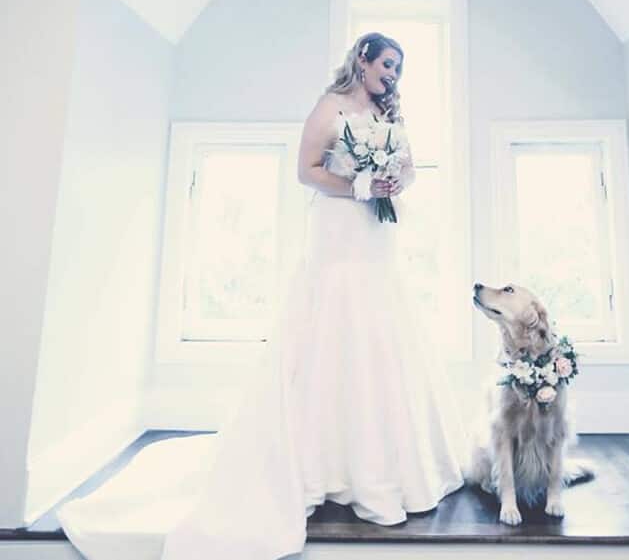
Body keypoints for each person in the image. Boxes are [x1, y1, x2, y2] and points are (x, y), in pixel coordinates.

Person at [56, 32, 467, 560]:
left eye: (399, 70)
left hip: (377, 239)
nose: (393, 76)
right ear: (363, 59)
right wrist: (360, 186)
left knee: (381, 335)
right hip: (338, 234)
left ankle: (384, 464)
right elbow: (307, 171)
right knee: (333, 331)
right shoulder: (331, 107)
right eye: (388, 64)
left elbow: (408, 167)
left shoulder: (392, 116)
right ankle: (319, 465)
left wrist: (393, 182)